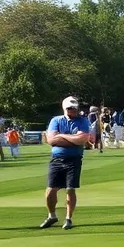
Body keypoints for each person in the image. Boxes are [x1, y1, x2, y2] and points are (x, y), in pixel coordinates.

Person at [41, 96, 93, 230]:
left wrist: (61, 136)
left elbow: (82, 139)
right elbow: (51, 140)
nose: (72, 111)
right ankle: (52, 215)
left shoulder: (82, 121)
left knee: (70, 189)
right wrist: (72, 139)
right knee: (50, 190)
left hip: (74, 159)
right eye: (69, 108)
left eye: (74, 108)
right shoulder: (56, 120)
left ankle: (68, 218)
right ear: (64, 108)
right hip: (57, 159)